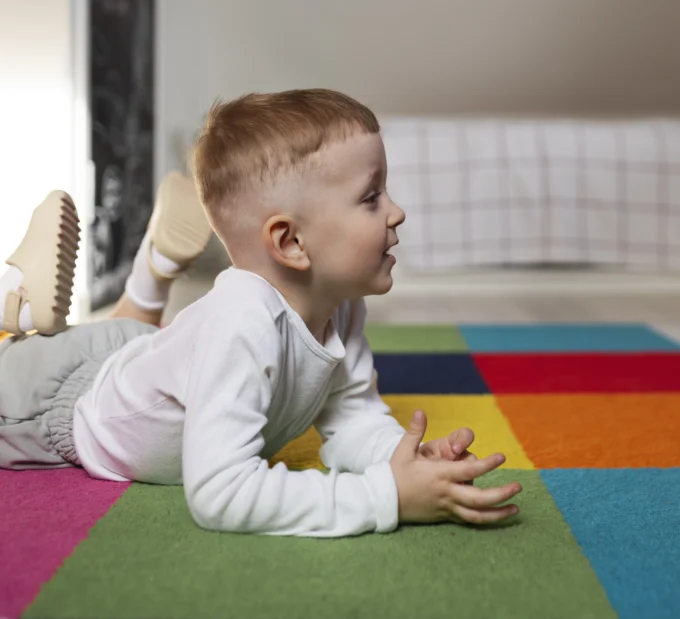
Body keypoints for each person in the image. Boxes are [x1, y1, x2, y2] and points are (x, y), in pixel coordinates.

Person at [0, 88, 522, 537]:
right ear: (290, 242)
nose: (397, 212)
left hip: (140, 358)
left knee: (137, 342)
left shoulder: (340, 306)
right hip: (54, 404)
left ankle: (149, 272)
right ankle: (17, 296)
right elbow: (220, 492)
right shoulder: (243, 323)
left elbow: (354, 419)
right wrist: (385, 497)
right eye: (371, 197)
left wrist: (403, 461)